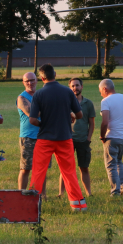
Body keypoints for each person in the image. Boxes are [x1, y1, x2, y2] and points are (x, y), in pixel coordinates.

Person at [28, 64, 87, 212]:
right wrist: (71, 116)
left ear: (42, 77)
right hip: (65, 138)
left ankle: (32, 206)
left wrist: (43, 124)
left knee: (38, 172)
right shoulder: (67, 91)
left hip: (45, 139)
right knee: (69, 172)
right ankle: (78, 205)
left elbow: (32, 120)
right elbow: (79, 115)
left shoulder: (39, 94)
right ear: (55, 74)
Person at [99, 78, 123, 196]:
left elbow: (105, 122)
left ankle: (115, 191)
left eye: (100, 91)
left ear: (105, 89)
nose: (101, 94)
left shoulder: (106, 101)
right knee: (119, 161)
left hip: (112, 137)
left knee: (111, 165)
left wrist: (102, 136)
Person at [60, 77, 96, 197]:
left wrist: (88, 138)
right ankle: (61, 193)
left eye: (77, 85)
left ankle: (88, 192)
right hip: (68, 139)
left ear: (82, 87)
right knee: (65, 168)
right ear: (69, 88)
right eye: (73, 86)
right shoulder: (65, 102)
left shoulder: (88, 103)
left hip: (83, 139)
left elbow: (91, 122)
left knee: (84, 167)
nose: (75, 88)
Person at [16, 71, 50, 191]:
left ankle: (41, 195)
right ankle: (21, 194)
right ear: (23, 82)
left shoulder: (42, 95)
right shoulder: (22, 98)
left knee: (43, 168)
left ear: (37, 80)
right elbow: (32, 113)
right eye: (27, 81)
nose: (30, 83)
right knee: (25, 168)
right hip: (28, 137)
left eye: (32, 80)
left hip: (44, 136)